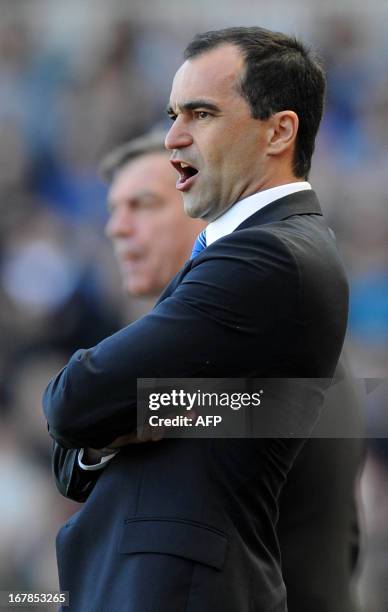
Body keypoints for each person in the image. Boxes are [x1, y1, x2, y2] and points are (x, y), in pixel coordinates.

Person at [44, 27, 358, 612]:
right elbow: (73, 447)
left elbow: (74, 399)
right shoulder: (251, 261)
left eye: (202, 113)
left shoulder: (269, 256)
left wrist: (146, 407)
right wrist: (135, 414)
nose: (174, 137)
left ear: (279, 130)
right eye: (172, 114)